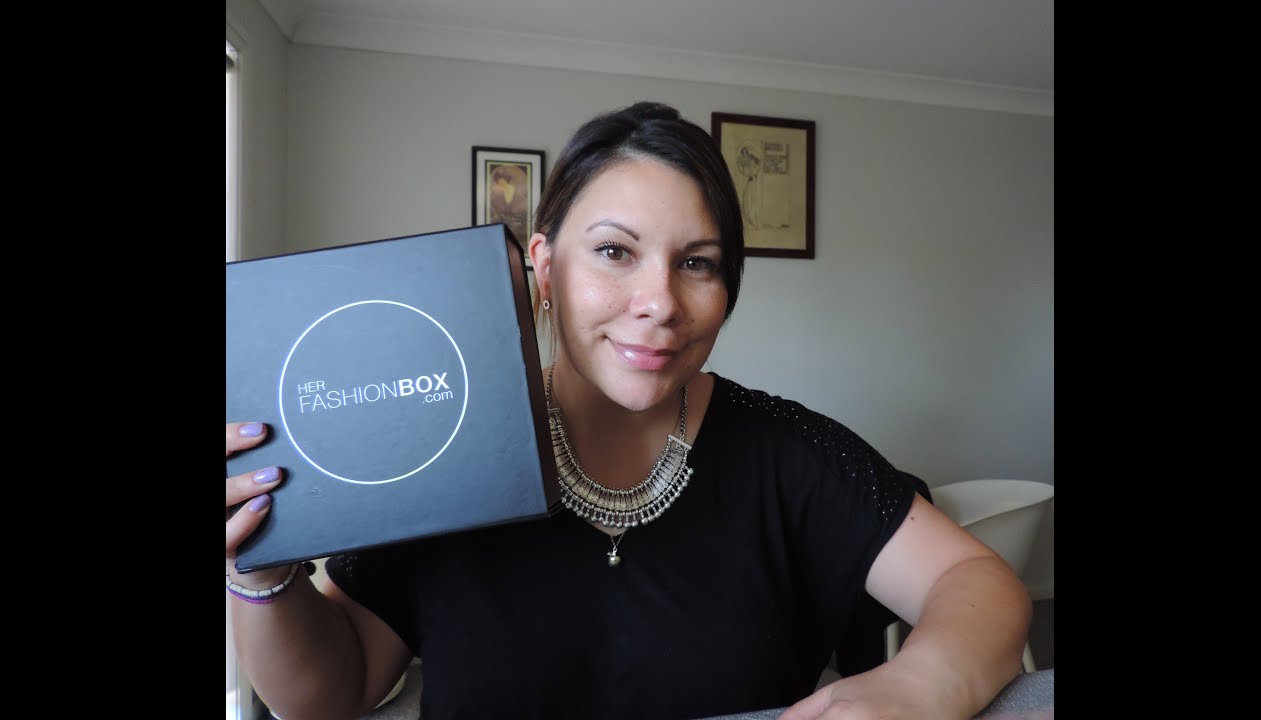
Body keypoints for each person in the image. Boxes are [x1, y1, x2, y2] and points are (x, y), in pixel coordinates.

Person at [226, 101, 1032, 720]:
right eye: (615, 252)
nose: (660, 302)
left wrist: (923, 682)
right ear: (544, 266)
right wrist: (260, 569)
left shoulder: (788, 454)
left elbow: (975, 579)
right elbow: (330, 695)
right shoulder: (448, 447)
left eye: (698, 264)